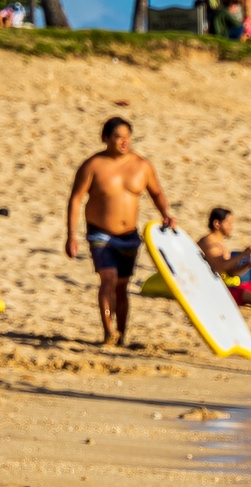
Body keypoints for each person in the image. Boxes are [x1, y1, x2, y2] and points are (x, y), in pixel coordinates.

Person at [66, 117, 173, 348]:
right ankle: (108, 331)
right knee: (108, 280)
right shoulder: (93, 165)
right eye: (118, 137)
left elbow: (156, 193)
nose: (124, 142)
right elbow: (75, 200)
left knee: (122, 287)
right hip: (100, 234)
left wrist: (166, 213)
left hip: (129, 236)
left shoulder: (142, 166)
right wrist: (71, 235)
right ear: (105, 138)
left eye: (127, 136)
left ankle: (122, 335)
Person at [199, 207, 251, 309]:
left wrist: (248, 264)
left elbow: (231, 273)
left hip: (226, 286)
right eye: (228, 223)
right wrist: (243, 254)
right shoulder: (208, 244)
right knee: (245, 294)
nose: (231, 226)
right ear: (217, 224)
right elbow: (222, 266)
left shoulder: (220, 243)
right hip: (213, 290)